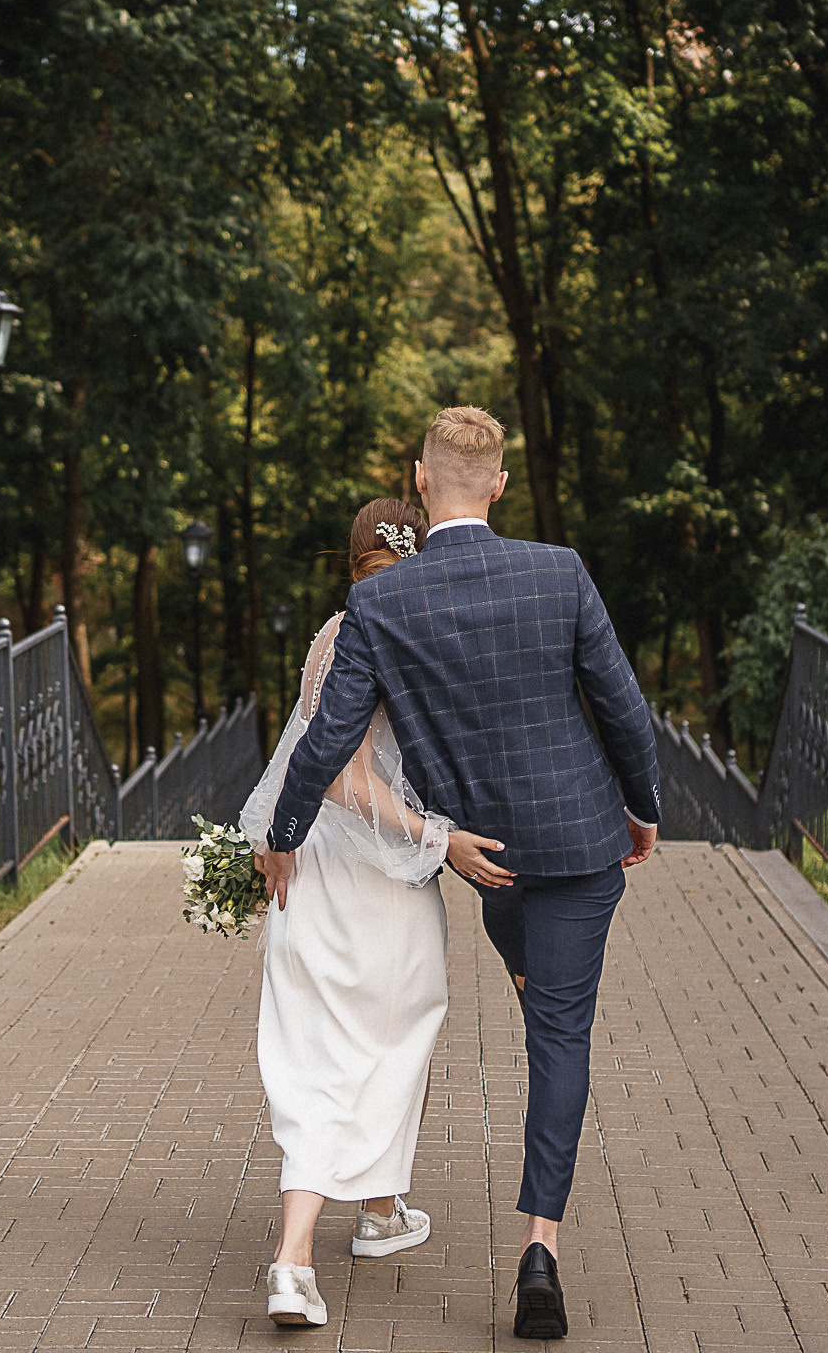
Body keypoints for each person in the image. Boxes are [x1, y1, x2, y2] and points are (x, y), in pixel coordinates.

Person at [261, 407, 662, 1341]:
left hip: (490, 857)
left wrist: (283, 832)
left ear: (420, 476)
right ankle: (539, 1249)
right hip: (580, 841)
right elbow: (623, 708)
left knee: (525, 970)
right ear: (501, 485)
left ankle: (374, 1208)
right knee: (559, 1038)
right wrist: (641, 810)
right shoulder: (558, 571)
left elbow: (327, 739)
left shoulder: (382, 603)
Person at [238, 497, 451, 1329]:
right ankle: (334, 1236)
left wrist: (274, 836)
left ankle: (343, 1232)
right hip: (382, 871)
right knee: (398, 1039)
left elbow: (305, 760)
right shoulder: (424, 634)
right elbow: (343, 775)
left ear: (352, 561)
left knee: (316, 1052)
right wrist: (435, 833)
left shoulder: (333, 634)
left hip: (311, 865)